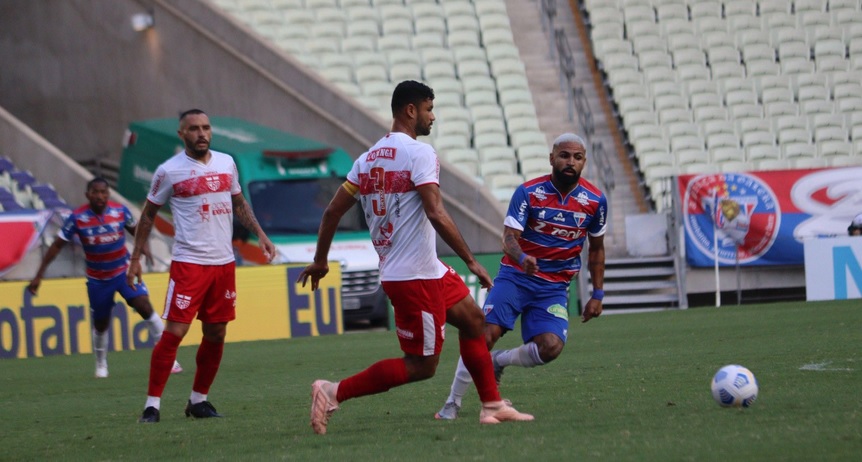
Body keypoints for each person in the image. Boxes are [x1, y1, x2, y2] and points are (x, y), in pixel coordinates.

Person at [298, 80, 534, 435]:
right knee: (422, 365)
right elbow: (436, 212)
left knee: (473, 321)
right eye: (429, 109)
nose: (432, 117)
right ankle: (332, 392)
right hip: (413, 276)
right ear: (411, 111)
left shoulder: (366, 160)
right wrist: (471, 261)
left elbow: (332, 212)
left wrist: (320, 260)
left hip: (426, 269)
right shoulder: (419, 154)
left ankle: (492, 404)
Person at [435, 133, 607, 420]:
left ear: (584, 162)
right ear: (552, 158)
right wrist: (523, 258)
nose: (570, 162)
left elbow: (597, 250)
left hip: (554, 287)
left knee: (551, 347)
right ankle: (452, 402)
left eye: (577, 157)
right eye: (564, 155)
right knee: (483, 335)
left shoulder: (595, 201)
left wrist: (598, 294)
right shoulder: (529, 192)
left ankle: (499, 361)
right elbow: (508, 238)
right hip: (515, 277)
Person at [130, 109, 276, 423]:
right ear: (181, 134)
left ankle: (198, 400)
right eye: (194, 128)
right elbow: (148, 215)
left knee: (217, 332)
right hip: (189, 263)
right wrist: (135, 258)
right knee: (175, 332)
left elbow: (239, 203)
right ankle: (152, 406)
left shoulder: (226, 162)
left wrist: (261, 234)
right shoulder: (169, 171)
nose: (201, 133)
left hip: (223, 263)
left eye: (206, 128)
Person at [27, 177, 182, 378]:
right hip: (98, 280)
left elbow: (138, 231)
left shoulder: (120, 212)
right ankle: (101, 362)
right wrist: (39, 275)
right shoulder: (77, 218)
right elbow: (57, 245)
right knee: (101, 324)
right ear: (88, 195)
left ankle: (168, 358)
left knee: (145, 306)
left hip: (124, 272)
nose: (100, 196)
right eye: (96, 192)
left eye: (104, 192)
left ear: (108, 195)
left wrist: (143, 249)